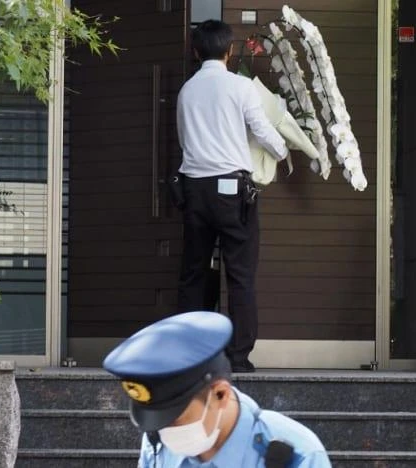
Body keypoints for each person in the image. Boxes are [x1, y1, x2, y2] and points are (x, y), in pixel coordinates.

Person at [175, 19, 289, 373]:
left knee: (194, 274)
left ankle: (190, 356)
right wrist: (283, 150)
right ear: (229, 51)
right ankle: (238, 357)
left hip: (194, 189)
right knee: (240, 275)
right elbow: (262, 129)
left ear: (196, 52)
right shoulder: (240, 86)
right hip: (231, 190)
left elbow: (184, 139)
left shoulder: (186, 91)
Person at [103, 311, 331, 468]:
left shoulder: (298, 458)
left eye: (175, 417)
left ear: (220, 394)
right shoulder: (157, 440)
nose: (165, 431)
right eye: (159, 422)